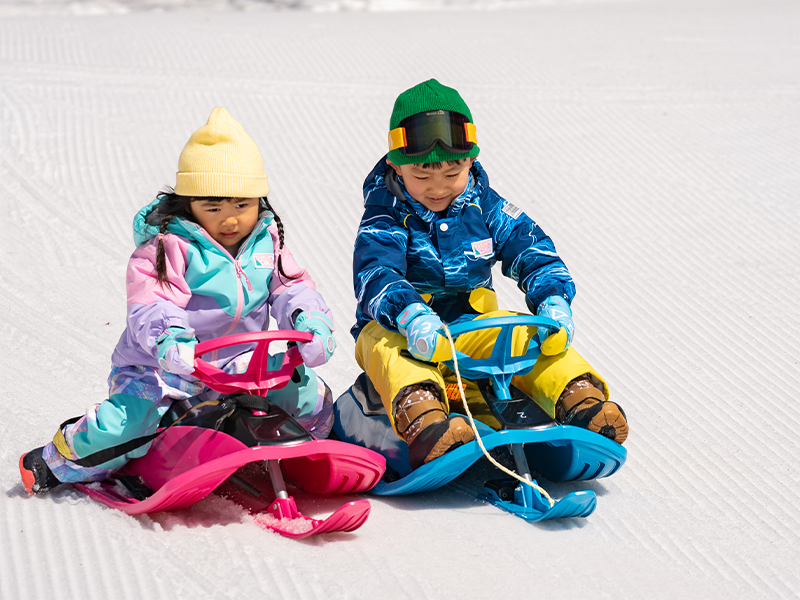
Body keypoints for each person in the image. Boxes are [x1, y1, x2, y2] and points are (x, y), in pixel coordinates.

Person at [20, 107, 337, 494]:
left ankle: (307, 457)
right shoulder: (168, 247)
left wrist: (311, 323)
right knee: (131, 423)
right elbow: (153, 303)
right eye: (213, 207)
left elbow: (290, 289)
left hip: (242, 367)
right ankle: (62, 457)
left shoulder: (267, 241)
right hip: (166, 368)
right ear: (189, 204)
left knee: (310, 395)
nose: (230, 220)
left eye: (241, 205)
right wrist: (171, 341)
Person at [352, 79, 628, 470]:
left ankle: (581, 401)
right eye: (423, 175)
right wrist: (411, 316)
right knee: (392, 354)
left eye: (452, 173)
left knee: (529, 337)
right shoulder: (385, 217)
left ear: (470, 162)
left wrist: (553, 299)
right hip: (401, 329)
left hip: (471, 327)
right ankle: (427, 422)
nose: (438, 187)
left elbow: (531, 247)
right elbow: (376, 273)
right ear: (396, 164)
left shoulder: (485, 206)